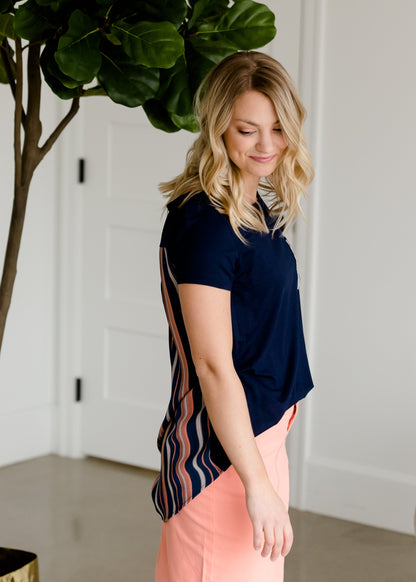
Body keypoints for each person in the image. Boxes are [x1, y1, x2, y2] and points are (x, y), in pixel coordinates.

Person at [152, 51, 314, 582]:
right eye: (248, 130)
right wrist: (257, 484)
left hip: (258, 440)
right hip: (224, 459)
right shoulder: (206, 223)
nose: (267, 145)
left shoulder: (248, 203)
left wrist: (266, 471)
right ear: (218, 124)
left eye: (278, 128)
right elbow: (212, 364)